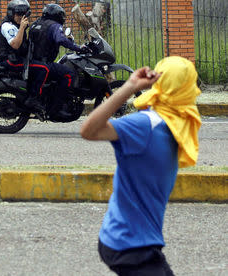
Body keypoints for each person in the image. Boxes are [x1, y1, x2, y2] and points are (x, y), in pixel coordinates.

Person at [80, 56, 202, 276]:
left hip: (143, 243)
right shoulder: (146, 125)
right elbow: (89, 130)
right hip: (127, 244)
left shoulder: (178, 125)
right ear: (184, 89)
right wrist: (130, 87)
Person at [29, 3, 89, 119]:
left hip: (33, 62)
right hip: (44, 63)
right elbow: (60, 39)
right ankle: (56, 109)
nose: (62, 18)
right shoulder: (54, 26)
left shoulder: (36, 24)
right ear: (56, 15)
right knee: (69, 74)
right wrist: (77, 48)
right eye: (61, 16)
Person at [0, 0, 49, 113]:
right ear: (11, 14)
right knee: (43, 69)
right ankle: (33, 99)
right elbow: (15, 44)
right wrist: (22, 28)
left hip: (16, 58)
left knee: (39, 65)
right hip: (8, 60)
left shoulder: (16, 25)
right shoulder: (8, 26)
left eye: (23, 14)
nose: (21, 17)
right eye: (18, 14)